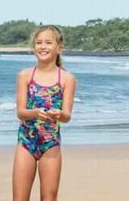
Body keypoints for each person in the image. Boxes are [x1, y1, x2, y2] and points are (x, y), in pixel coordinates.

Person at [12, 25, 76, 201]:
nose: (43, 46)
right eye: (38, 42)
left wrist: (58, 115)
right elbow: (21, 112)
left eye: (48, 42)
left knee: (49, 197)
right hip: (26, 142)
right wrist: (34, 113)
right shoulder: (25, 75)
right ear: (33, 47)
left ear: (59, 48)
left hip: (51, 145)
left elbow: (67, 116)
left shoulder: (67, 78)